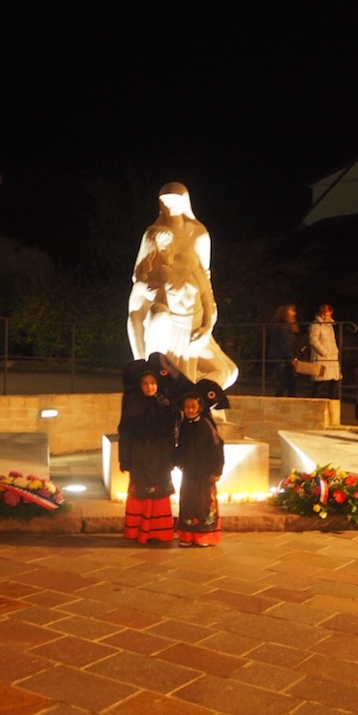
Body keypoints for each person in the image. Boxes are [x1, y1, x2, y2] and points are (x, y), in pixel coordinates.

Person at [127, 182, 238, 390]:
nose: (170, 207)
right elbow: (136, 304)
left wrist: (206, 327)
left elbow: (206, 289)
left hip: (194, 324)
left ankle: (196, 401)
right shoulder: (152, 237)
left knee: (228, 372)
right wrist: (140, 359)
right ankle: (173, 393)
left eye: (176, 201)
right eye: (165, 202)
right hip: (169, 324)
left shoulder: (198, 236)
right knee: (159, 318)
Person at [117, 364, 178, 544]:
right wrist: (124, 459)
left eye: (153, 383)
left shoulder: (166, 404)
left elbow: (172, 432)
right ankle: (139, 530)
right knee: (141, 491)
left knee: (159, 491)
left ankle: (158, 531)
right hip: (140, 455)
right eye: (145, 383)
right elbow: (125, 433)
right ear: (140, 385)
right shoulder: (133, 404)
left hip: (160, 456)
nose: (149, 387)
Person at [173, 388, 224, 547]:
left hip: (204, 473)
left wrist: (216, 470)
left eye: (193, 407)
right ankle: (187, 535)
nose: (189, 410)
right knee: (188, 501)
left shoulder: (205, 425)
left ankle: (203, 536)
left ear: (199, 407)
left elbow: (217, 447)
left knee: (203, 502)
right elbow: (181, 446)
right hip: (189, 472)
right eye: (187, 406)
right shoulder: (184, 425)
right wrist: (176, 460)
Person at [309, 304, 341, 399]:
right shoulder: (315, 325)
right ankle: (314, 403)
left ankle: (332, 403)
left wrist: (335, 351)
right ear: (322, 314)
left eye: (329, 315)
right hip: (322, 358)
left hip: (332, 357)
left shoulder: (329, 325)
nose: (328, 317)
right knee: (320, 381)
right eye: (326, 315)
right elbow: (313, 341)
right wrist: (325, 352)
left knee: (335, 381)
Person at [268, 305, 300, 397]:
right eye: (291, 311)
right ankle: (278, 402)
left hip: (281, 356)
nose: (294, 313)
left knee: (288, 382)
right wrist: (291, 358)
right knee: (286, 382)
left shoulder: (281, 326)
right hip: (280, 357)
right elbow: (283, 344)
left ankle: (283, 402)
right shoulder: (283, 327)